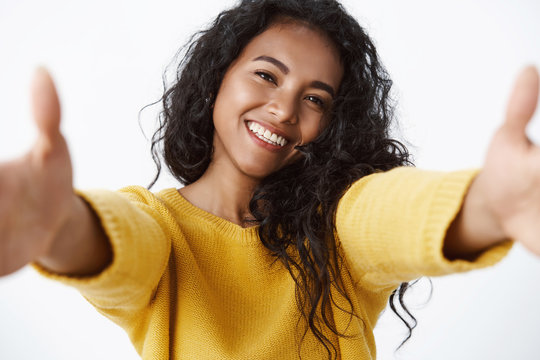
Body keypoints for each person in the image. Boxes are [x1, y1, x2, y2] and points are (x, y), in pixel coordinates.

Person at [0, 0, 537, 359]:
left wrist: (487, 204)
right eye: (266, 74)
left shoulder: (336, 229)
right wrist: (58, 225)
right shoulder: (160, 228)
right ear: (217, 79)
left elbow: (387, 214)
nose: (283, 109)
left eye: (314, 98)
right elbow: (117, 244)